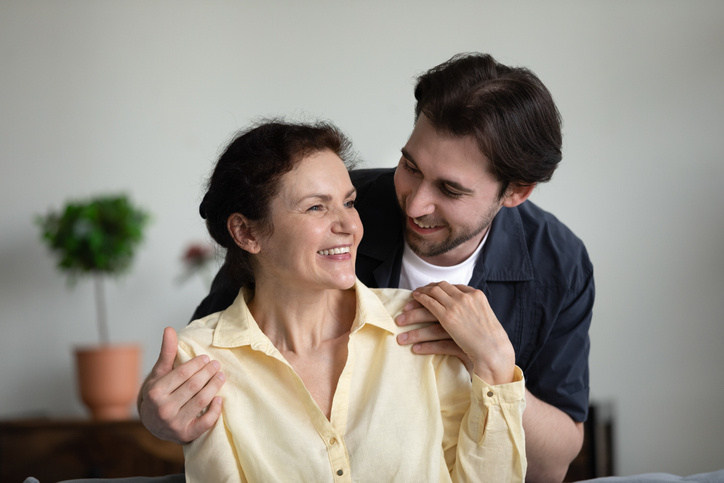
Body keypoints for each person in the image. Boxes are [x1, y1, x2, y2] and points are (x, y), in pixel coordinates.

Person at [138, 52, 594, 483]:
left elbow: (551, 465)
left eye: (450, 190)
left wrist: (493, 364)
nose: (415, 204)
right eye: (410, 166)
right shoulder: (336, 195)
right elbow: (218, 346)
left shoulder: (559, 263)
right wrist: (155, 411)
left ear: (515, 193)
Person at [176, 119, 526, 482]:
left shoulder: (419, 322)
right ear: (246, 232)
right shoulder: (199, 359)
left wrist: (497, 367)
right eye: (316, 207)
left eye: (349, 202)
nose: (349, 225)